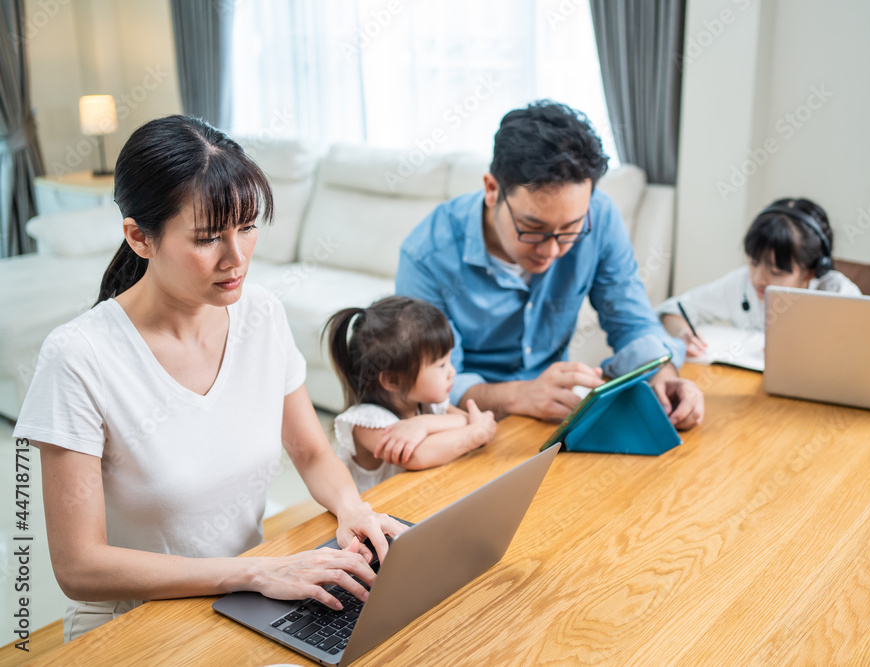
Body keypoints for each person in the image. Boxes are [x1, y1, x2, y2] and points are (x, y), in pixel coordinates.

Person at [12, 115, 404, 641]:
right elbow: (79, 566)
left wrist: (352, 509)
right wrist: (256, 573)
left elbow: (310, 452)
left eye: (245, 227)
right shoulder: (79, 357)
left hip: (248, 604)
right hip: (133, 625)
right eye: (207, 239)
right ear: (139, 237)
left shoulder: (261, 314)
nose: (236, 257)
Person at [395, 101, 704, 429]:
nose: (553, 249)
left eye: (570, 229)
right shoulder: (426, 256)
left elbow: (631, 321)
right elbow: (431, 388)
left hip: (553, 419)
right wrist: (519, 396)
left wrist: (664, 375)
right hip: (462, 427)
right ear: (491, 189)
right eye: (534, 227)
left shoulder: (599, 217)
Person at [326, 296, 497, 492]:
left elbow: (469, 419)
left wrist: (424, 423)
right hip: (379, 515)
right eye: (441, 365)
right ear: (393, 381)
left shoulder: (425, 404)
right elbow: (418, 456)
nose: (452, 372)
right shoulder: (364, 421)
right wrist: (476, 433)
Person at [656, 198, 862, 357]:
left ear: (811, 271)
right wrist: (682, 333)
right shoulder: (742, 283)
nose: (758, 278)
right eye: (754, 262)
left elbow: (859, 351)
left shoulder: (838, 293)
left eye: (776, 272)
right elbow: (674, 309)